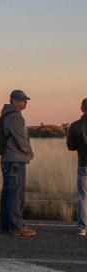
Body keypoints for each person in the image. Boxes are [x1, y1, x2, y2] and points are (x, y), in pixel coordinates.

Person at [0, 90, 36, 236]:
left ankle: (5, 226)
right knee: (16, 194)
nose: (25, 102)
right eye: (22, 100)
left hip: (8, 158)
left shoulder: (6, 115)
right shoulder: (15, 117)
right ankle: (17, 227)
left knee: (8, 192)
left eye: (25, 100)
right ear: (14, 101)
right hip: (15, 159)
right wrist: (29, 153)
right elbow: (21, 139)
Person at [67, 98, 87, 236]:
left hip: (83, 163)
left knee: (83, 197)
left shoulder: (75, 125)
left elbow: (70, 146)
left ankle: (82, 228)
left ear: (82, 109)